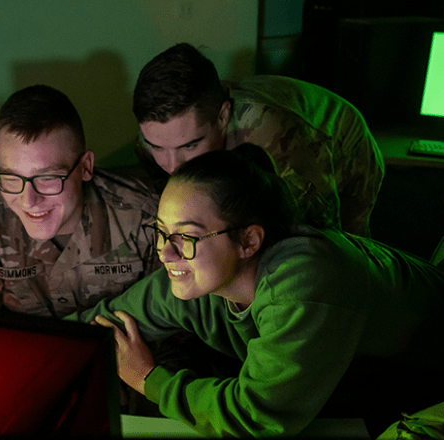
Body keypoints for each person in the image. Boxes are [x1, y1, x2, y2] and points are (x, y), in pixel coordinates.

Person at [67, 144, 444, 437]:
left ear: (249, 241)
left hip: (423, 383)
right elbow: (96, 328)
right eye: (162, 231)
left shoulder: (304, 282)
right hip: (349, 383)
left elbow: (255, 418)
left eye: (187, 236)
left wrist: (150, 380)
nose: (166, 252)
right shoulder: (196, 275)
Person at [0, 84, 159, 318]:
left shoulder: (144, 217)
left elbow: (173, 334)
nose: (28, 200)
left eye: (47, 178)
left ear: (85, 167)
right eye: (11, 177)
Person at [132, 42, 384, 236]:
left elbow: (321, 228)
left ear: (222, 117)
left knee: (344, 249)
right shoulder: (148, 142)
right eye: (158, 147)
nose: (174, 165)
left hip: (341, 142)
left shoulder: (271, 134)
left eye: (190, 145)